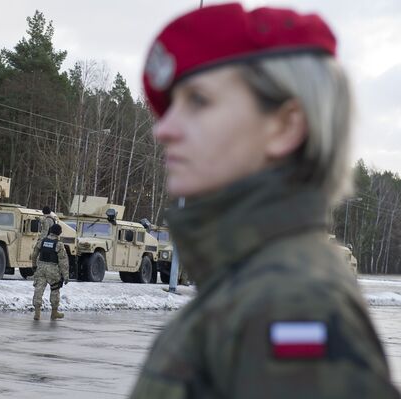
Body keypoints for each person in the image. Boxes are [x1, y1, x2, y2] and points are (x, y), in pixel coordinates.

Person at [131, 3, 400, 398]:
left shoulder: (289, 304)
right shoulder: (250, 285)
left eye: (198, 101)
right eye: (172, 105)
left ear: (285, 126)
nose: (164, 129)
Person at [31, 223, 69, 320]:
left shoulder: (42, 241)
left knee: (38, 289)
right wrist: (65, 276)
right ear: (59, 233)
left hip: (41, 268)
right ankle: (54, 313)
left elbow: (34, 254)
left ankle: (37, 313)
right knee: (55, 290)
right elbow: (63, 261)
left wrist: (34, 265)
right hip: (53, 270)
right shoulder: (59, 244)